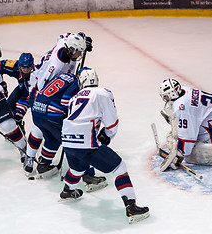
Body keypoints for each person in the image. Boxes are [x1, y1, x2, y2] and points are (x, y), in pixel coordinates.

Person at [59, 68, 149, 224]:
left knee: (77, 168)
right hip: (85, 139)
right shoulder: (102, 93)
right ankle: (131, 207)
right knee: (119, 167)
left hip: (67, 138)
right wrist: (107, 135)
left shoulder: (74, 98)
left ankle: (68, 190)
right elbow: (112, 122)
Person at [25, 67, 107, 191]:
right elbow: (65, 101)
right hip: (51, 114)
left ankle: (44, 165)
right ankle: (88, 176)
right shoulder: (75, 83)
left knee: (52, 138)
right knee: (77, 143)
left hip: (37, 112)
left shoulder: (63, 76)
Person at [26, 32, 92, 168]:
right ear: (71, 50)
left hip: (51, 88)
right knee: (39, 128)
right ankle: (29, 157)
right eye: (79, 51)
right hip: (38, 90)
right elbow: (43, 88)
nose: (80, 54)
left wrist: (83, 39)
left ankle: (44, 161)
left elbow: (64, 35)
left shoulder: (65, 44)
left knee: (51, 133)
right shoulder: (55, 67)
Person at [158, 78, 212, 172]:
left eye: (166, 97)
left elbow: (187, 142)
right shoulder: (184, 90)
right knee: (175, 138)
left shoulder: (183, 107)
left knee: (189, 156)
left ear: (173, 93)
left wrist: (177, 157)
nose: (165, 100)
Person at [0, 53, 35, 134]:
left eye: (28, 67)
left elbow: (28, 98)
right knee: (8, 108)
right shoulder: (15, 66)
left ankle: (19, 128)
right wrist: (0, 82)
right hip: (21, 89)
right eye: (23, 67)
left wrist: (20, 111)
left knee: (18, 115)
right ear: (19, 65)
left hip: (33, 96)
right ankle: (17, 126)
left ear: (32, 66)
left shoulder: (35, 76)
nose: (25, 70)